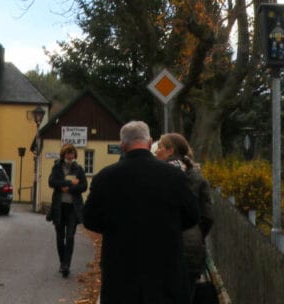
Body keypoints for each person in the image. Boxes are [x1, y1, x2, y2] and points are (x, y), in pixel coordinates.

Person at [82, 120, 200, 304]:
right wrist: (170, 226)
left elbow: (89, 219)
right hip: (165, 266)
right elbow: (193, 215)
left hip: (120, 267)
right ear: (149, 141)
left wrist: (113, 227)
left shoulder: (105, 177)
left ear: (122, 145)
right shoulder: (174, 176)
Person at [154, 133, 214, 298]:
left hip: (162, 248)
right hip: (192, 249)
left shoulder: (159, 175)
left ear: (170, 151)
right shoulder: (197, 177)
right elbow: (208, 215)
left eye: (160, 147)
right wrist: (196, 233)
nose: (157, 151)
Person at [47, 142, 88, 277]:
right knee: (60, 237)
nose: (70, 156)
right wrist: (68, 183)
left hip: (73, 208)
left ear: (74, 155)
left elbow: (83, 186)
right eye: (68, 154)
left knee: (70, 237)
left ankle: (66, 265)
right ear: (63, 155)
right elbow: (52, 182)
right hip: (59, 207)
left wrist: (70, 188)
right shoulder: (57, 167)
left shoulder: (79, 169)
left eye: (72, 154)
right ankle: (62, 262)